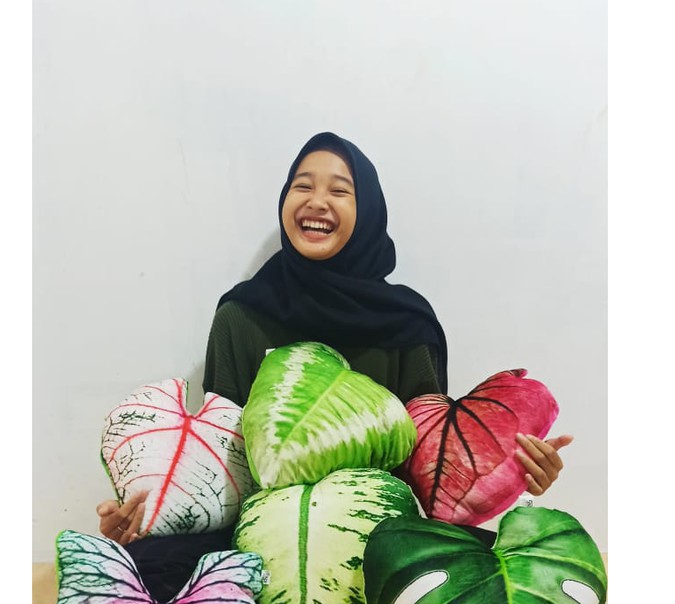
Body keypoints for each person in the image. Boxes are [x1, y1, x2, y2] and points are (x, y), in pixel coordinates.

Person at [97, 131, 571, 549]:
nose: (317, 201)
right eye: (302, 186)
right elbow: (223, 457)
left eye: (340, 191)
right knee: (149, 564)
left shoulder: (406, 324)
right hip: (266, 540)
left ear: (367, 213)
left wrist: (514, 474)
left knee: (506, 567)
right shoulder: (241, 316)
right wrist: (146, 518)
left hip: (379, 541)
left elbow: (428, 468)